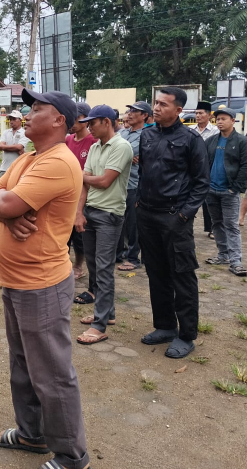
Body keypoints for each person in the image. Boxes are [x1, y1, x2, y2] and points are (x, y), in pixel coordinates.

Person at [0, 89, 89, 469]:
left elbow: (4, 201)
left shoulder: (58, 161)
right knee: (23, 365)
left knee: (52, 375)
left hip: (41, 285)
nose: (26, 115)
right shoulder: (29, 158)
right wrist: (6, 213)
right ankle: (32, 434)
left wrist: (6, 208)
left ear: (59, 119)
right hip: (16, 281)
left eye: (37, 109)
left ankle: (72, 456)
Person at [137, 87, 209, 359]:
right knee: (156, 273)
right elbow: (144, 172)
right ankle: (165, 326)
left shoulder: (191, 139)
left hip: (174, 217)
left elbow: (201, 183)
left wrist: (183, 215)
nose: (156, 108)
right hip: (147, 215)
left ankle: (187, 335)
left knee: (182, 276)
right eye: (155, 103)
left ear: (178, 110)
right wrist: (139, 204)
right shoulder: (147, 135)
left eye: (163, 104)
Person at [73, 105, 133, 345]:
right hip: (90, 212)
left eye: (92, 123)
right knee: (94, 266)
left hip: (109, 215)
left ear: (106, 122)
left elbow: (105, 181)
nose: (89, 128)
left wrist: (81, 176)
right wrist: (79, 212)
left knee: (104, 268)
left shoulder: (121, 146)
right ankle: (107, 313)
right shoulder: (95, 147)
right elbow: (86, 183)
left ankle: (99, 326)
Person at [204, 107, 247, 277]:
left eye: (223, 119)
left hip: (229, 191)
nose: (219, 122)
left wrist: (235, 188)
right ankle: (223, 255)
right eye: (217, 119)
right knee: (217, 223)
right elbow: (203, 163)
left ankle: (236, 262)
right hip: (211, 190)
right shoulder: (211, 141)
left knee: (231, 226)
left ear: (233, 120)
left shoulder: (243, 142)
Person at [115, 101, 150, 272]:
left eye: (135, 111)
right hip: (118, 183)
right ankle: (118, 253)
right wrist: (129, 156)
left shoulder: (148, 135)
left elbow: (127, 152)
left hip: (134, 184)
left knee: (133, 223)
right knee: (118, 220)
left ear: (145, 116)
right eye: (129, 110)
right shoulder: (122, 132)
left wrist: (133, 156)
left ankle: (133, 258)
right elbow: (113, 150)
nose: (129, 114)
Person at [66, 102, 97, 283]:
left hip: (84, 193)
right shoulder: (68, 140)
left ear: (86, 120)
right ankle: (65, 264)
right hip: (67, 192)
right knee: (65, 232)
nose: (73, 122)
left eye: (77, 118)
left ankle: (79, 265)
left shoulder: (93, 141)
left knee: (79, 234)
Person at [192, 101, 219, 239]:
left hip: (209, 168)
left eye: (201, 113)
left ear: (209, 115)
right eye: (196, 113)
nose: (198, 116)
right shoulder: (190, 129)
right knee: (189, 199)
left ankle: (212, 228)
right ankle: (186, 226)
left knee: (209, 201)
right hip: (191, 169)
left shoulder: (216, 131)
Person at [0, 110, 29, 177]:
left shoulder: (24, 133)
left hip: (18, 168)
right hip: (4, 168)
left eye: (14, 119)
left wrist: (5, 147)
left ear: (20, 120)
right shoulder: (5, 132)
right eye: (10, 119)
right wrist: (15, 148)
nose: (11, 121)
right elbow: (0, 146)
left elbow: (19, 147)